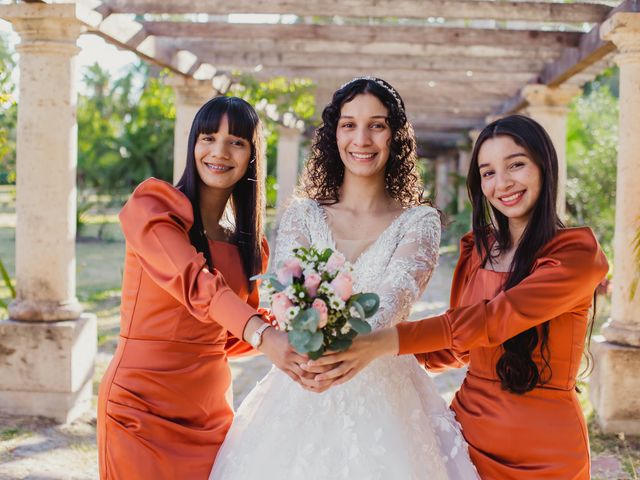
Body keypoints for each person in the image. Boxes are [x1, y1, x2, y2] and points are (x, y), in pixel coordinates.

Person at [307, 114, 609, 479]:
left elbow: (494, 318)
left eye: (516, 164)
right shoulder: (478, 250)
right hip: (466, 438)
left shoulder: (576, 253)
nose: (503, 183)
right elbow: (454, 347)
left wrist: (386, 341)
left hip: (544, 450)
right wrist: (354, 339)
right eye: (488, 172)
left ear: (545, 166)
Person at [210, 77, 478, 479]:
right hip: (300, 384)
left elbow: (392, 301)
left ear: (395, 135)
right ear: (334, 134)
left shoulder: (419, 222)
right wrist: (310, 352)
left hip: (387, 400)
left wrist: (337, 347)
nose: (362, 139)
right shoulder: (303, 215)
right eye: (349, 124)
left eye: (377, 125)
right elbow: (280, 294)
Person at [97, 96, 308, 479]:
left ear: (252, 157)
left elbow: (229, 338)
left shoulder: (251, 246)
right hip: (140, 408)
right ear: (193, 143)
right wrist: (263, 334)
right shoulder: (154, 208)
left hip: (210, 415)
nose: (220, 152)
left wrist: (300, 327)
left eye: (237, 142)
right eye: (208, 137)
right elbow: (197, 285)